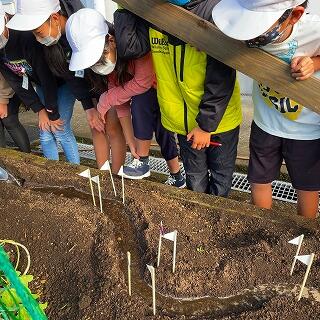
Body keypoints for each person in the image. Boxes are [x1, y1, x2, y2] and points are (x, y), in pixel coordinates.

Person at [115, 2, 242, 196]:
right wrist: (126, 6)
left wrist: (206, 126)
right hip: (182, 122)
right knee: (195, 180)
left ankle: (215, 223)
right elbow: (130, 47)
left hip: (219, 122)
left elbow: (221, 77)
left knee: (221, 179)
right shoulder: (154, 12)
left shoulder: (213, 12)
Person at [212, 0, 320, 218]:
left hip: (307, 129)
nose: (251, 38)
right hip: (265, 121)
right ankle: (262, 227)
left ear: (296, 15)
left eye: (258, 33)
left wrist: (314, 63)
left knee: (307, 186)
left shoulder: (315, 29)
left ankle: (305, 235)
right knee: (259, 179)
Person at [66, 8, 185, 187]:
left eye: (100, 58)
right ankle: (156, 167)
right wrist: (130, 141)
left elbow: (143, 81)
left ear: (111, 41)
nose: (99, 66)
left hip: (161, 88)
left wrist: (105, 100)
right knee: (155, 125)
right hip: (146, 94)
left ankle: (173, 174)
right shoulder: (110, 68)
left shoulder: (132, 41)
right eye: (93, 63)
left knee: (161, 129)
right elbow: (120, 104)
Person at [6, 0, 124, 169]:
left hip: (109, 81)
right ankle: (103, 176)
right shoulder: (54, 44)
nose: (37, 38)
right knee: (96, 127)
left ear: (54, 18)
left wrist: (104, 101)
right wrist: (88, 107)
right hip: (88, 87)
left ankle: (116, 176)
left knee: (112, 126)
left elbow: (105, 63)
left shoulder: (82, 24)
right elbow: (72, 76)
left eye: (38, 32)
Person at [0, 72, 30, 152]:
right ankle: (2, 158)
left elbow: (5, 76)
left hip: (9, 87)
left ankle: (28, 157)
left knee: (9, 120)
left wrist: (3, 100)